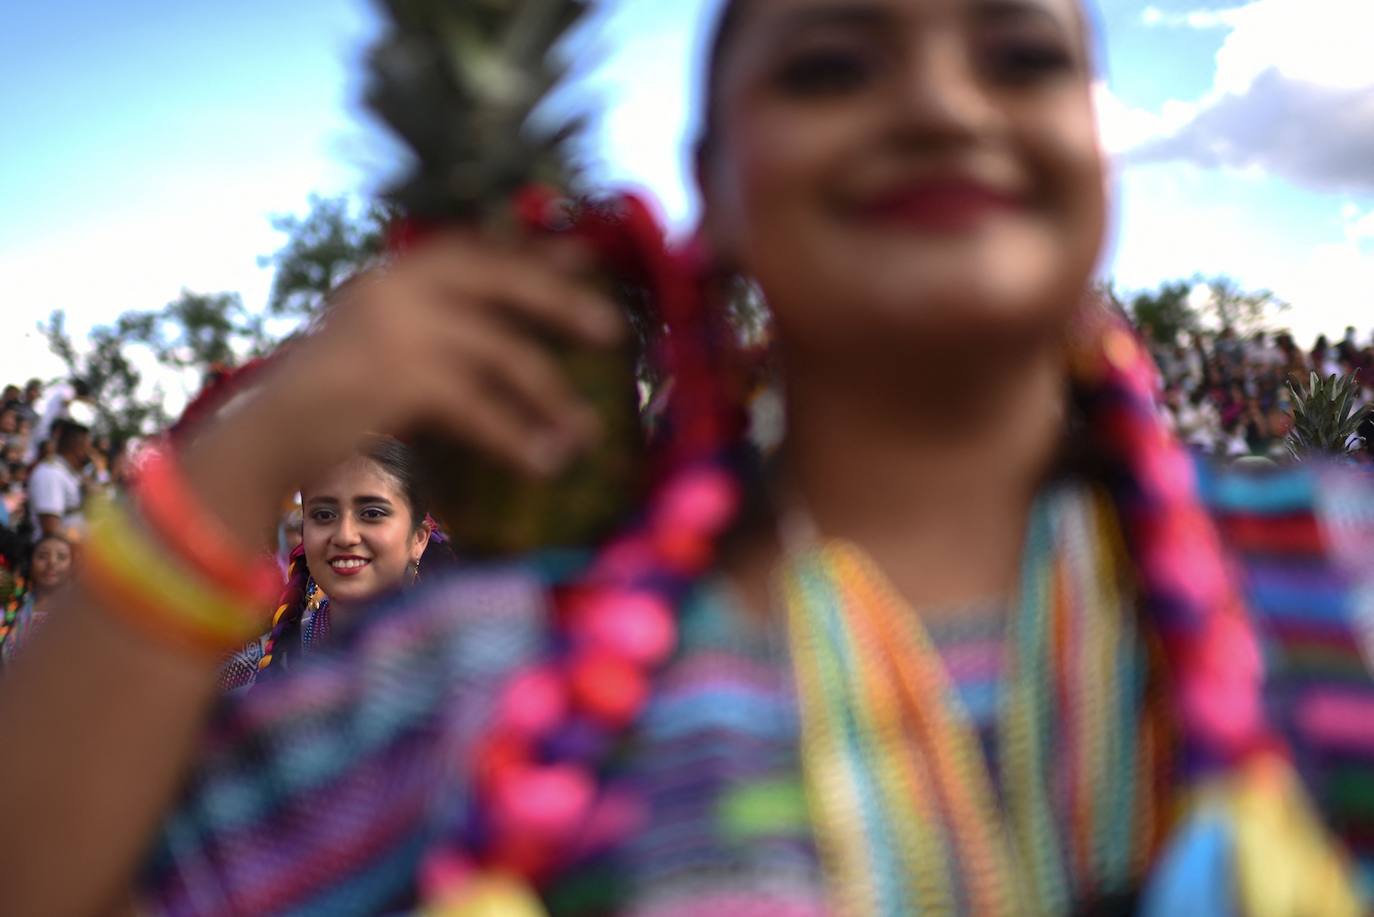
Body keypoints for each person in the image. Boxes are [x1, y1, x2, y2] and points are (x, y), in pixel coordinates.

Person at [0, 1, 1370, 915]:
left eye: (1018, 57)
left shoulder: (1335, 574)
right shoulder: (476, 683)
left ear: (1095, 140)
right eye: (834, 63)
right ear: (708, 181)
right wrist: (255, 454)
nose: (943, 105)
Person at [218, 436, 441, 693]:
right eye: (324, 515)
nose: (345, 536)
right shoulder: (252, 670)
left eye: (372, 514)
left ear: (418, 539)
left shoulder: (472, 669)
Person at [0, 534, 74, 665]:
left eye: (61, 557)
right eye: (42, 556)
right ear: (29, 563)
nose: (52, 563)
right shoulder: (12, 607)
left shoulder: (82, 613)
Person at [26, 418, 90, 542]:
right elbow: (51, 528)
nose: (90, 451)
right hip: (54, 555)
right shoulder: (50, 473)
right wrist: (88, 542)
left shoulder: (67, 472)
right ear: (77, 446)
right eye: (88, 445)